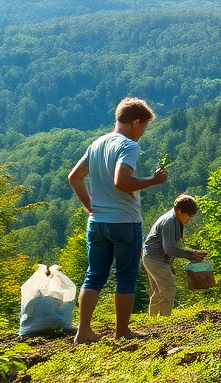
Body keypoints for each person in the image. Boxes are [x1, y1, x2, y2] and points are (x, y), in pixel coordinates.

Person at [66, 97, 169, 343]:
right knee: (125, 276)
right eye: (143, 126)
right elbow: (121, 181)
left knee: (94, 275)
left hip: (97, 222)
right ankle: (122, 331)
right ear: (135, 122)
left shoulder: (97, 143)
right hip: (124, 222)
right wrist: (152, 182)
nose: (142, 132)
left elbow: (74, 177)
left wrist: (90, 206)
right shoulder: (128, 146)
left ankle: (83, 331)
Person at [141, 194, 208, 317]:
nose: (190, 218)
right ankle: (165, 319)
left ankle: (153, 320)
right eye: (189, 215)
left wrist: (169, 264)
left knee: (157, 291)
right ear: (179, 211)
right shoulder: (170, 222)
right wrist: (190, 254)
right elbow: (169, 249)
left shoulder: (174, 220)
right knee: (169, 289)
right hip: (155, 258)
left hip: (151, 257)